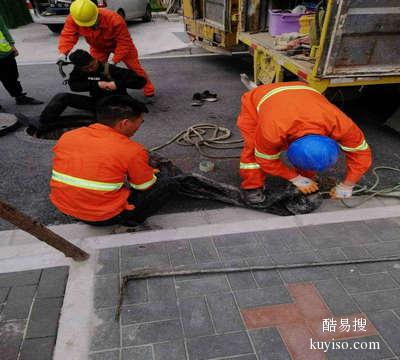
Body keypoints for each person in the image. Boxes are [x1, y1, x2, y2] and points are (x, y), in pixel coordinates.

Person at [50, 95, 180, 226]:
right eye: (140, 122)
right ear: (124, 123)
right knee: (169, 183)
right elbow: (144, 186)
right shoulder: (132, 150)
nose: (139, 126)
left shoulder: (68, 136)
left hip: (64, 208)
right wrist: (152, 172)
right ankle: (130, 221)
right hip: (103, 217)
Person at [237, 82, 372, 204]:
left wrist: (348, 185)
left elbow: (361, 154)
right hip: (258, 99)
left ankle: (306, 178)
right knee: (253, 149)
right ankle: (252, 186)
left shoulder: (342, 126)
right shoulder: (271, 132)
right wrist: (294, 178)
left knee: (309, 158)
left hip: (302, 91)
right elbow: (264, 159)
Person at [58, 0, 155, 97]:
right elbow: (68, 36)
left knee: (135, 68)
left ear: (96, 12)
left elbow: (124, 43)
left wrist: (113, 62)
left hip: (120, 45)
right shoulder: (74, 19)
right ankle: (102, 91)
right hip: (98, 47)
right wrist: (63, 53)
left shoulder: (114, 19)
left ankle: (148, 89)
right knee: (94, 70)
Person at [35, 49, 146, 130]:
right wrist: (96, 84)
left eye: (92, 65)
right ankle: (44, 122)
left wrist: (116, 84)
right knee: (62, 97)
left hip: (116, 103)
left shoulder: (108, 68)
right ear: (79, 68)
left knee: (102, 123)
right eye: (87, 69)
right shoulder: (78, 71)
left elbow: (141, 81)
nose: (91, 69)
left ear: (94, 59)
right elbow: (74, 86)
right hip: (97, 102)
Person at [0, 15, 42, 109]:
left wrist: (11, 44)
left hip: (4, 51)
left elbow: (3, 28)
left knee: (12, 76)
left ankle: (20, 97)